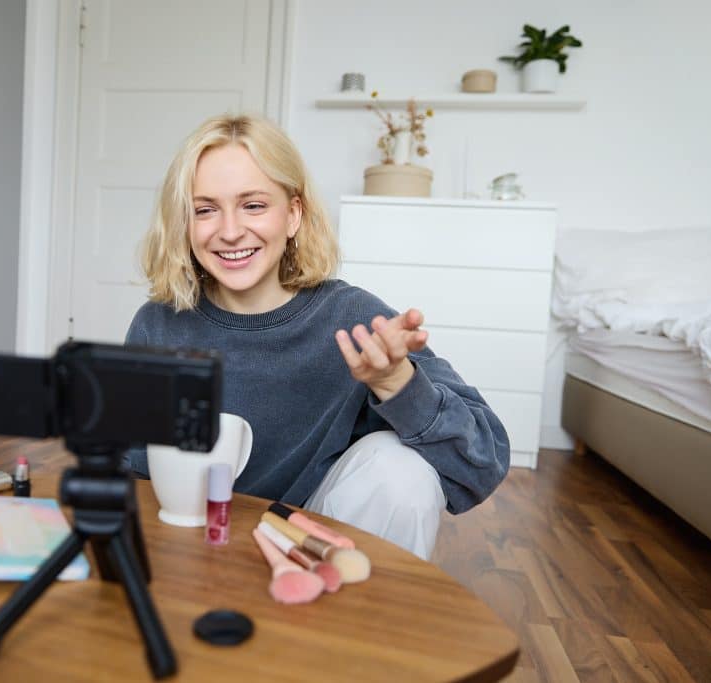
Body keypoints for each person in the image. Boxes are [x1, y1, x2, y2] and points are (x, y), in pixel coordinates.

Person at [124, 114, 509, 560]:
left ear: (293, 215)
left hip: (311, 548)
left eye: (253, 205)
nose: (229, 231)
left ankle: (357, 606)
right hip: (190, 545)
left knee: (399, 469)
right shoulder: (159, 326)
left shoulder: (355, 320)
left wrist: (398, 385)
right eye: (205, 210)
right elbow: (128, 473)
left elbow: (484, 462)